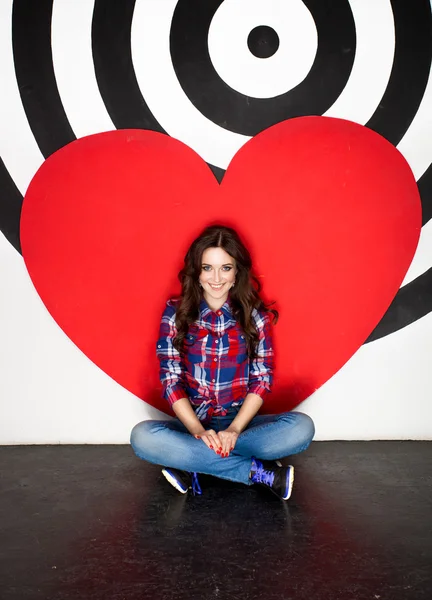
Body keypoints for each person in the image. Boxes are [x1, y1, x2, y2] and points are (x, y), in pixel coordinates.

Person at [130, 225, 315, 500]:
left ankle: (194, 465)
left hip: (240, 423)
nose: (216, 278)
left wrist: (234, 429)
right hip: (193, 421)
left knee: (302, 428)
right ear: (197, 271)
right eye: (208, 268)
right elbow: (171, 379)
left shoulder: (256, 317)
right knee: (142, 437)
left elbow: (261, 379)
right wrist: (197, 432)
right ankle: (258, 473)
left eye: (225, 268)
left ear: (237, 271)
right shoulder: (175, 312)